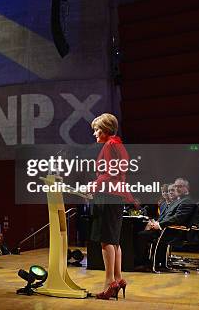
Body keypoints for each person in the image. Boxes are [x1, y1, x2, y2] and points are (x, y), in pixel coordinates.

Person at [88, 113, 133, 300]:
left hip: (108, 195)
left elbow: (109, 173)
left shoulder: (109, 145)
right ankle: (118, 278)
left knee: (106, 240)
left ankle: (109, 283)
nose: (94, 134)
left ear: (106, 129)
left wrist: (94, 185)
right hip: (118, 195)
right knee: (114, 240)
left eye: (97, 129)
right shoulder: (118, 144)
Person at [136, 178, 194, 271]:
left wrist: (159, 225)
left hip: (173, 231)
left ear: (187, 188)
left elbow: (178, 218)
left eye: (180, 186)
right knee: (141, 232)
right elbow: (167, 217)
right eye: (175, 186)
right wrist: (155, 223)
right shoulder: (177, 201)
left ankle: (144, 263)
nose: (176, 189)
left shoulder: (187, 201)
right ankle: (147, 262)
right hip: (166, 229)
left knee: (141, 235)